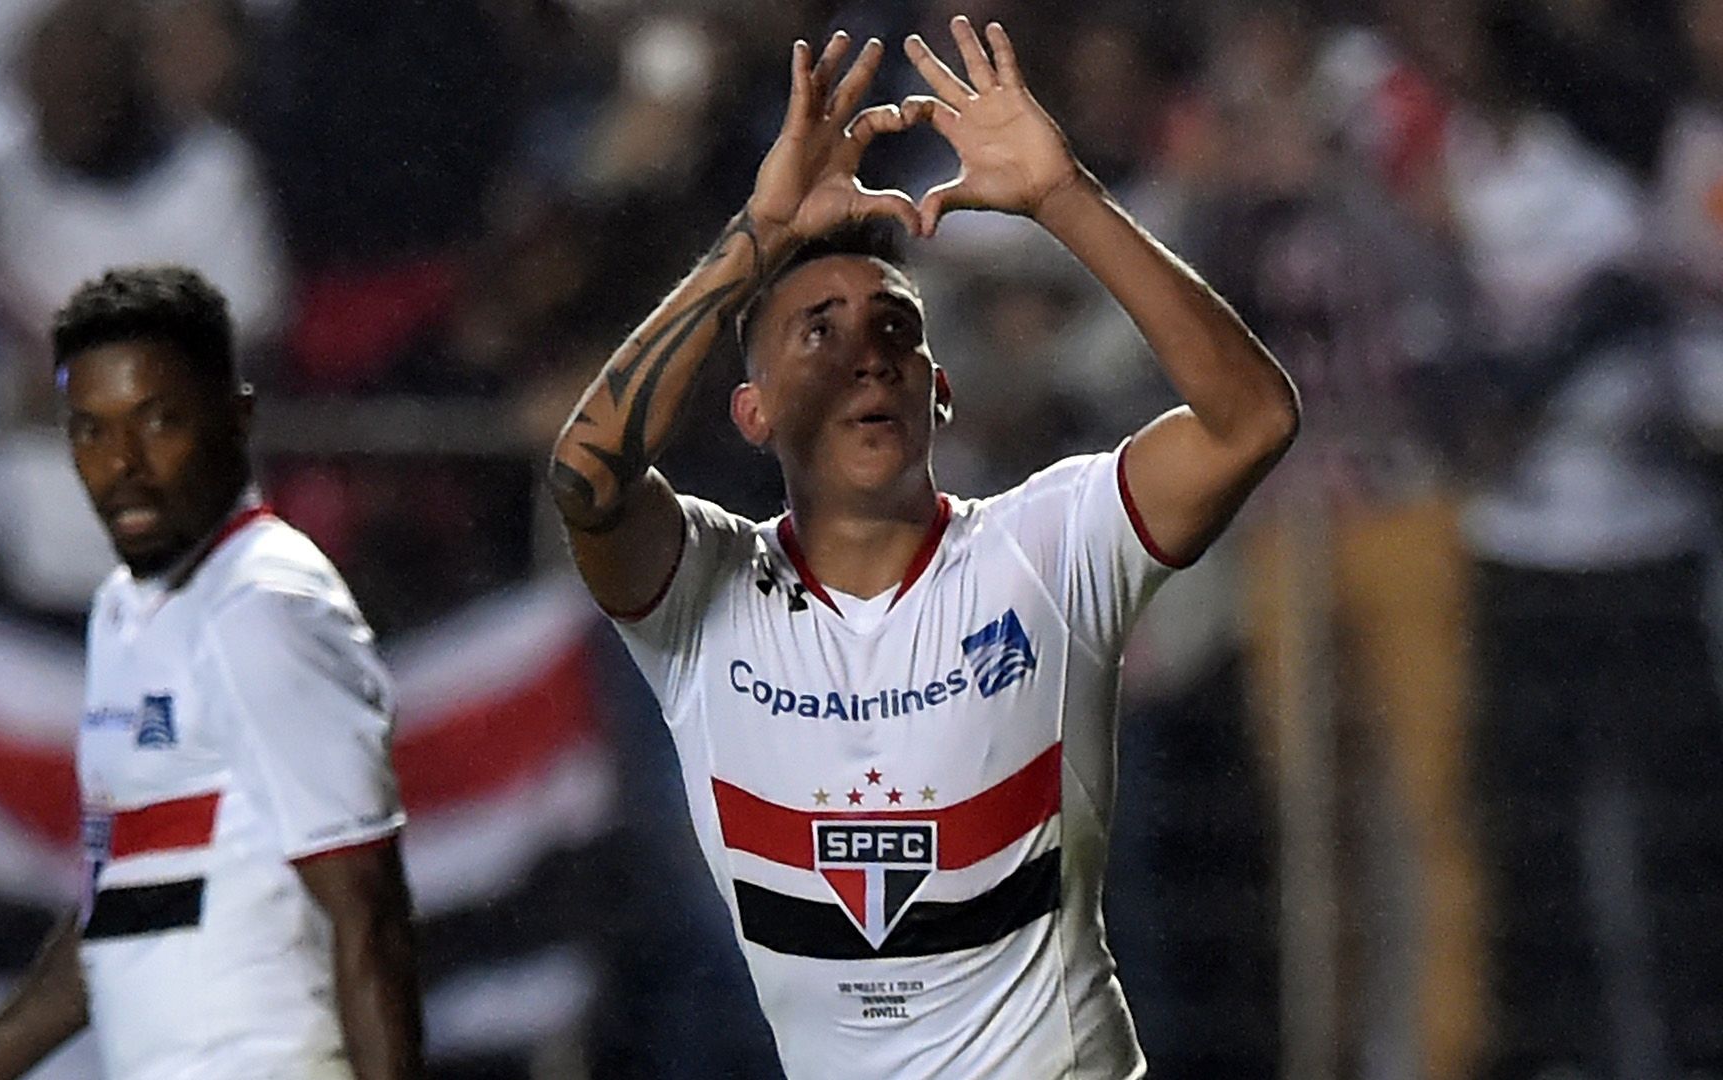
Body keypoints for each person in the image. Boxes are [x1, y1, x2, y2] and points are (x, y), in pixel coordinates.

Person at [548, 17, 1298, 1079]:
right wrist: (755, 237)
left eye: (896, 329)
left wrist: (1065, 199)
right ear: (754, 412)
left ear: (939, 392)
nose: (867, 355)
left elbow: (1251, 421)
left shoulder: (1047, 545)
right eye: (819, 331)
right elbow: (587, 479)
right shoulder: (707, 590)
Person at [0, 266, 422, 1080]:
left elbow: (369, 915)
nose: (121, 464)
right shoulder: (124, 612)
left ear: (237, 416)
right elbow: (121, 916)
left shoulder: (263, 608)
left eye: (158, 422)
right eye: (90, 431)